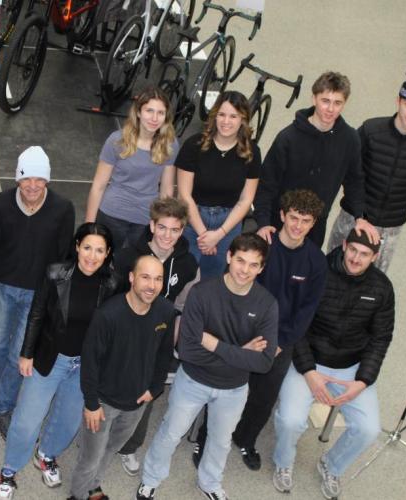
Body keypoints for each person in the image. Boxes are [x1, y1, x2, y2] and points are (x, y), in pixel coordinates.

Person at [136, 234, 279, 500]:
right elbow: (188, 351)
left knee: (220, 442)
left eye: (253, 265)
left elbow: (263, 362)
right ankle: (151, 478)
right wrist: (240, 353)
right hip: (193, 381)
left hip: (234, 388)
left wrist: (214, 344)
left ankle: (210, 484)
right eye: (240, 261)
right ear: (228, 257)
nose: (245, 270)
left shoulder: (267, 304)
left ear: (261, 268)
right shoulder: (202, 293)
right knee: (171, 433)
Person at [194, 189, 327, 470]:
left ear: (313, 224)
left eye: (305, 221)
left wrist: (279, 343)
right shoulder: (262, 247)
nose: (298, 226)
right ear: (282, 215)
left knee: (263, 396)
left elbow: (307, 310)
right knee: (224, 386)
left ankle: (245, 438)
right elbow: (239, 287)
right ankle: (206, 437)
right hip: (243, 331)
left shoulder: (316, 261)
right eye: (293, 218)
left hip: (281, 340)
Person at [0, 223, 119, 500]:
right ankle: (9, 471)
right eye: (87, 247)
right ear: (76, 247)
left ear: (108, 253)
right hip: (51, 357)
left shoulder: (111, 283)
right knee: (27, 420)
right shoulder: (55, 274)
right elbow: (36, 314)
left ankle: (46, 455)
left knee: (68, 421)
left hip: (84, 365)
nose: (92, 256)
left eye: (99, 250)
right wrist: (26, 353)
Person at [272, 228, 394, 499]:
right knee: (291, 420)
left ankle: (332, 465)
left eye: (364, 255)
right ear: (344, 244)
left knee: (368, 428)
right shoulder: (317, 272)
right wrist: (309, 372)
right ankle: (283, 462)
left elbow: (381, 339)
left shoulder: (382, 288)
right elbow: (296, 325)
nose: (355, 259)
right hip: (308, 362)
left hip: (350, 367)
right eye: (352, 250)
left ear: (374, 257)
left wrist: (362, 381)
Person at [0, 146, 76, 436]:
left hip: (37, 293)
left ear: (47, 180)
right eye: (26, 179)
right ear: (17, 179)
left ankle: (0, 407)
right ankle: (0, 388)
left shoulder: (63, 209)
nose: (32, 186)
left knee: (17, 354)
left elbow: (63, 257)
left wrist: (56, 299)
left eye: (39, 179)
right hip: (2, 286)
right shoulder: (0, 203)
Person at [69, 256, 177, 500]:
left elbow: (164, 353)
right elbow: (90, 360)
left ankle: (93, 486)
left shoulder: (166, 311)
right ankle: (77, 494)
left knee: (110, 449)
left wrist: (155, 388)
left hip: (137, 403)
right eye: (145, 277)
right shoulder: (108, 315)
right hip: (103, 404)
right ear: (131, 278)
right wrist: (91, 403)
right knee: (90, 457)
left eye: (158, 279)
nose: (152, 285)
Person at [111, 196, 199, 476]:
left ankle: (129, 446)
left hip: (158, 337)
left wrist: (169, 343)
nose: (167, 236)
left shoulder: (188, 264)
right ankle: (99, 435)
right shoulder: (127, 257)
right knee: (111, 384)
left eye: (175, 230)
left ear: (183, 230)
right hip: (123, 332)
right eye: (162, 228)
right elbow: (112, 297)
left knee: (146, 390)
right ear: (152, 225)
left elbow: (183, 308)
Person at [326, 66, 406, 271]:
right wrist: (360, 212)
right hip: (353, 217)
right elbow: (350, 173)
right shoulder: (370, 130)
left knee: (375, 279)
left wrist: (390, 216)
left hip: (390, 226)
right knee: (332, 268)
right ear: (398, 101)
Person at [254, 71, 378, 248]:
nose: (330, 109)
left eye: (337, 103)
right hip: (279, 223)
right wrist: (263, 222)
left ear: (344, 104)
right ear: (314, 99)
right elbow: (267, 184)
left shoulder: (350, 139)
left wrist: (360, 216)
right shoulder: (288, 138)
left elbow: (354, 181)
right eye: (325, 101)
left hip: (315, 227)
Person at [177, 91, 261, 279]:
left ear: (243, 120)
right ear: (214, 116)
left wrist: (219, 234)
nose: (226, 121)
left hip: (228, 223)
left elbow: (246, 200)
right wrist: (203, 234)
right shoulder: (194, 145)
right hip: (193, 219)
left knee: (212, 280)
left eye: (233, 116)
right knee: (182, 277)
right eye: (221, 115)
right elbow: (184, 195)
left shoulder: (251, 152)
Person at [85, 87, 178, 250]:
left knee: (133, 269)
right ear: (139, 112)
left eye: (160, 113)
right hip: (112, 214)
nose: (154, 118)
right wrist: (89, 228)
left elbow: (166, 189)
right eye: (149, 111)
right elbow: (98, 186)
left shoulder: (170, 144)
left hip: (145, 219)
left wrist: (164, 226)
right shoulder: (116, 140)